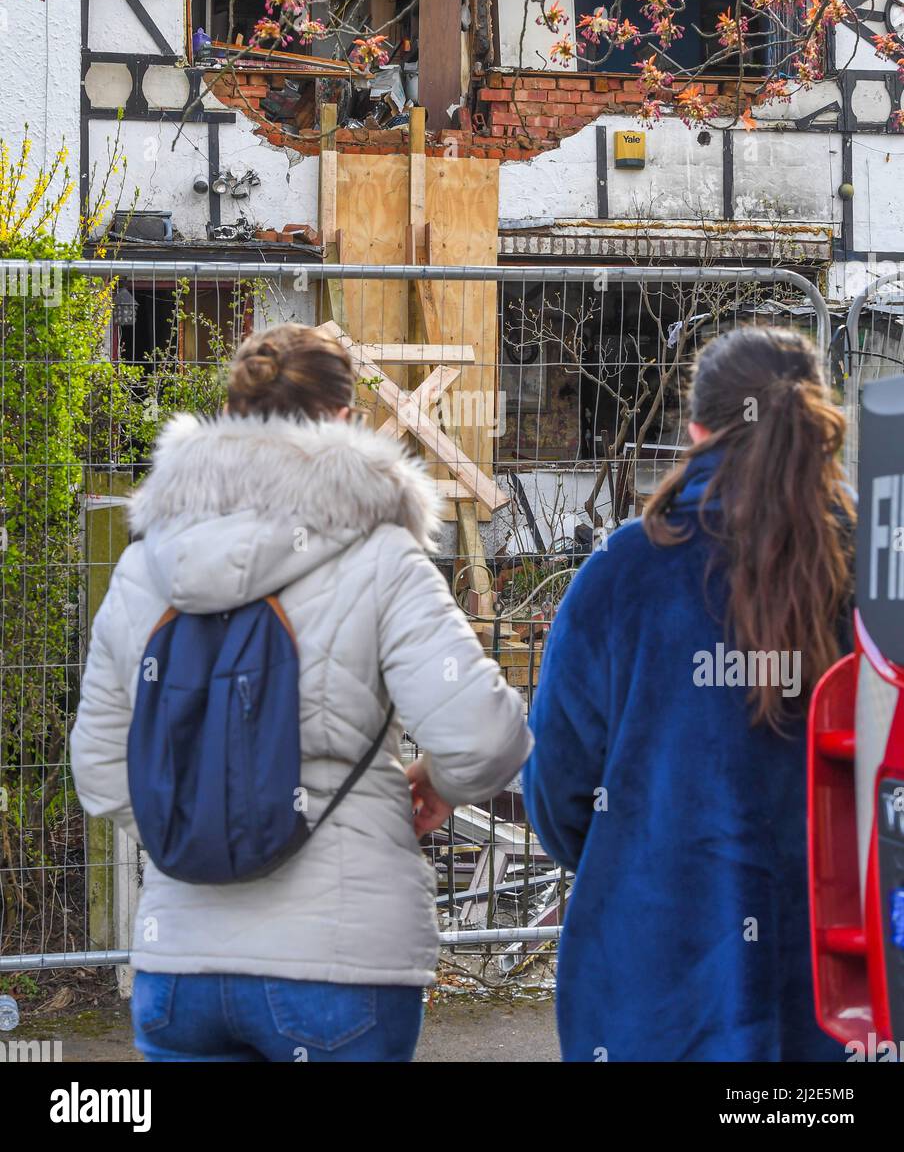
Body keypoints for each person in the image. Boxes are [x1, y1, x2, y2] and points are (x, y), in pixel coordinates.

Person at [72, 323, 531, 1062]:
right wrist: (436, 785)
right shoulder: (383, 556)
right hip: (341, 968)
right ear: (346, 422)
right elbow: (484, 736)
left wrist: (206, 826)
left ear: (229, 416)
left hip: (181, 963)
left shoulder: (145, 566)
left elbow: (98, 766)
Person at [522, 327, 854, 1063]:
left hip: (650, 981)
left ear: (696, 430)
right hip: (836, 990)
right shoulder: (872, 568)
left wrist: (638, 851)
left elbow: (558, 786)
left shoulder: (623, 570)